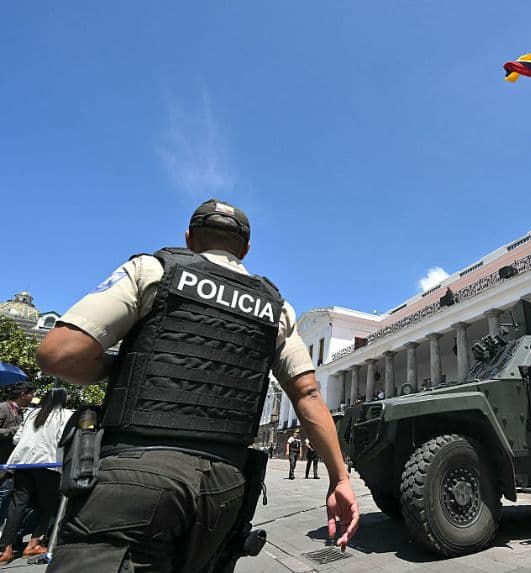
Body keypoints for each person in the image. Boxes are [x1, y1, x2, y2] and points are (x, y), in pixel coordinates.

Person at [37, 199, 359, 572]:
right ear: (246, 249)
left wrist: (122, 368)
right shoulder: (276, 309)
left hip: (135, 469)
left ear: (189, 238)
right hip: (223, 485)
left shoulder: (155, 271)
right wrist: (339, 479)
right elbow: (308, 395)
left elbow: (59, 352)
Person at [0, 388, 72, 563]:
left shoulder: (33, 413)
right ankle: (33, 544)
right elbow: (66, 438)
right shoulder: (66, 415)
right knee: (46, 505)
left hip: (23, 462)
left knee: (17, 505)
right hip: (49, 463)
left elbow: (17, 438)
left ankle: (5, 550)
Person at [0, 385, 35, 523]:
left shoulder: (19, 412)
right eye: (31, 394)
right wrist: (17, 429)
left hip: (7, 464)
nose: (33, 397)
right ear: (23, 394)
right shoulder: (3, 408)